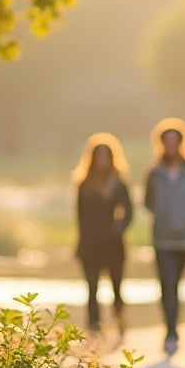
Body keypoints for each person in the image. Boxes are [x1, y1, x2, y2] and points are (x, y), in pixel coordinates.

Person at [143, 118, 185, 358]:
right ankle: (171, 333)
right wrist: (163, 213)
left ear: (181, 143)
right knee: (168, 286)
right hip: (163, 239)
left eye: (174, 142)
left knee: (174, 285)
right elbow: (147, 202)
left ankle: (172, 329)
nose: (170, 147)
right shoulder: (154, 174)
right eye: (166, 142)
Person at [73, 133, 134, 337]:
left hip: (113, 244)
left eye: (105, 156)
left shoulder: (118, 183)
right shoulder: (84, 184)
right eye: (98, 156)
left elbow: (129, 212)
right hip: (89, 245)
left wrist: (118, 229)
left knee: (117, 287)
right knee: (92, 289)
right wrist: (80, 244)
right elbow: (79, 216)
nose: (102, 161)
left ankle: (119, 322)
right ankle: (94, 327)